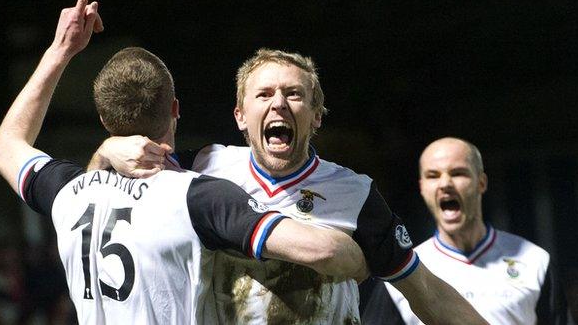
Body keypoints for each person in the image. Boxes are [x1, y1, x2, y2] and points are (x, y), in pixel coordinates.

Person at [0, 0, 371, 324]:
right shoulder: (196, 195)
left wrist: (61, 50)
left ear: (104, 121)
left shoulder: (69, 191)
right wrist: (359, 259)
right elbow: (319, 251)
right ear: (175, 109)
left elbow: (5, 146)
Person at [91, 52, 488, 323]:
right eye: (263, 94)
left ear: (316, 116)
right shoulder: (203, 167)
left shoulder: (355, 194)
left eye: (294, 94)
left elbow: (427, 294)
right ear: (241, 116)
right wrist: (108, 146)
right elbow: (99, 191)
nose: (278, 103)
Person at [361, 137, 574, 324]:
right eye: (433, 175)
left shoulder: (534, 261)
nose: (445, 183)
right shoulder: (403, 270)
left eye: (458, 173)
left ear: (481, 182)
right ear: (422, 187)